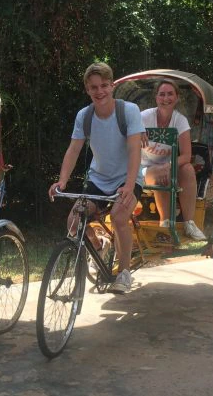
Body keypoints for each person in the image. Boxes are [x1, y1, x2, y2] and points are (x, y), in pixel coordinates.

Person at [48, 62, 144, 294]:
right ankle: (99, 245)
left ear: (112, 86)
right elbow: (73, 150)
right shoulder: (85, 115)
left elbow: (134, 150)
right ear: (87, 90)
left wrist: (130, 186)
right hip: (99, 180)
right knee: (73, 221)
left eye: (103, 86)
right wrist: (62, 181)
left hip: (127, 178)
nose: (99, 91)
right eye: (93, 87)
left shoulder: (128, 111)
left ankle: (124, 273)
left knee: (119, 216)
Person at [139, 79, 206, 241]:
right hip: (143, 168)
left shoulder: (180, 120)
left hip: (168, 167)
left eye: (170, 94)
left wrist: (168, 166)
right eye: (162, 94)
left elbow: (186, 154)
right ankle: (166, 222)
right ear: (156, 98)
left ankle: (189, 222)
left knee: (187, 169)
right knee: (161, 173)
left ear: (176, 98)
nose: (166, 98)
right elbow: (128, 146)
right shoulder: (143, 117)